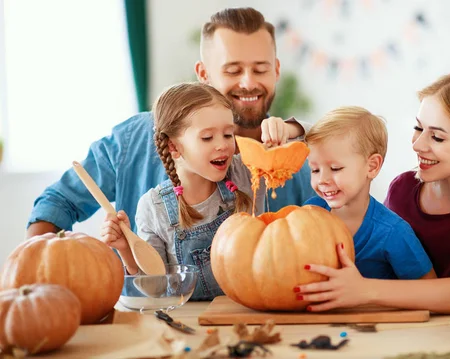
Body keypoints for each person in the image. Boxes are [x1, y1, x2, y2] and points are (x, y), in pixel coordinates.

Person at [26, 7, 314, 237]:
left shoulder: (295, 158)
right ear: (203, 73)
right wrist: (38, 266)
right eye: (233, 70)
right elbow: (59, 203)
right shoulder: (134, 140)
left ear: (275, 70)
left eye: (260, 69)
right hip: (151, 310)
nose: (248, 82)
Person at [295, 72, 450, 313]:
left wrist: (365, 290)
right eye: (418, 128)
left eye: (437, 137)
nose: (417, 145)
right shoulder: (404, 188)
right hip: (405, 332)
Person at [101, 82, 286, 300]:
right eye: (207, 137)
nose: (223, 145)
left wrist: (284, 130)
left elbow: (312, 139)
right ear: (173, 147)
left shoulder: (247, 172)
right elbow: (155, 289)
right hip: (191, 323)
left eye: (228, 135)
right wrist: (126, 251)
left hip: (252, 311)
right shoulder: (154, 208)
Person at [303, 106, 435, 283]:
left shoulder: (393, 232)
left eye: (335, 168)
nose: (322, 180)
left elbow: (428, 287)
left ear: (372, 166)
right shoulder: (309, 214)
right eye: (315, 170)